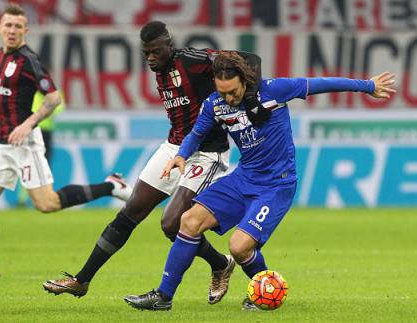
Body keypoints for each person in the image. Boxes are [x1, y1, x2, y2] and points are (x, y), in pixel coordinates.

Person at [124, 52, 396, 311]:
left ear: (245, 81)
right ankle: (163, 296)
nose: (229, 98)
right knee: (189, 221)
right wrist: (182, 155)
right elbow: (196, 134)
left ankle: (264, 286)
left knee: (239, 246)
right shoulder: (214, 104)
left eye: (233, 91)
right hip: (243, 179)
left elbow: (321, 84)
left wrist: (368, 86)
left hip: (277, 184)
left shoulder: (274, 90)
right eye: (223, 92)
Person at [43, 21, 265, 304]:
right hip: (173, 147)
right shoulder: (161, 69)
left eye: (155, 51)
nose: (149, 58)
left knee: (172, 223)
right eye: (145, 53)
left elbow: (250, 60)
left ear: (168, 44)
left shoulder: (194, 60)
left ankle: (219, 266)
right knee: (131, 210)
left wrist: (253, 100)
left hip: (207, 152)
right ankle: (81, 280)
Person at [0, 4, 131, 280]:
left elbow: (53, 98)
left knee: (47, 203)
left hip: (25, 142)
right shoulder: (0, 55)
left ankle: (111, 185)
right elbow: (0, 86)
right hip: (0, 142)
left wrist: (27, 124)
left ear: (25, 31)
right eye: (8, 25)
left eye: (18, 27)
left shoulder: (29, 60)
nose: (12, 31)